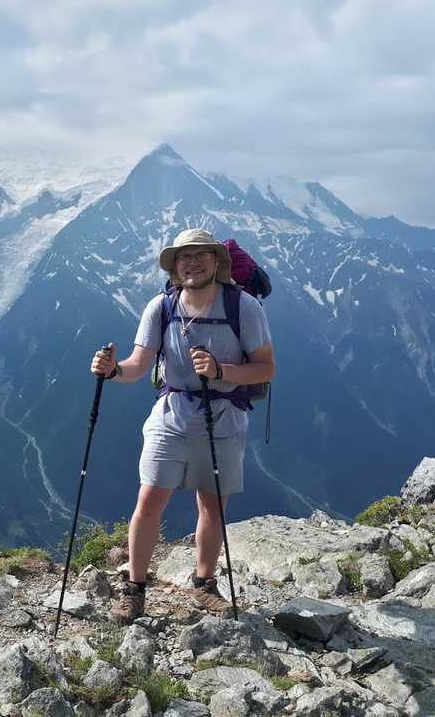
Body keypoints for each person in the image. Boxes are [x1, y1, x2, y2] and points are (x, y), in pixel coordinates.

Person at [89, 228, 275, 621]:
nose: (191, 263)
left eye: (200, 256)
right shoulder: (161, 307)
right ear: (174, 266)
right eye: (183, 257)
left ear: (216, 262)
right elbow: (138, 365)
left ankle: (204, 584)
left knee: (212, 505)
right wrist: (111, 371)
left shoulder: (244, 308)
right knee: (150, 499)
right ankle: (135, 587)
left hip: (224, 418)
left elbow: (266, 367)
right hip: (171, 415)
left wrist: (221, 370)